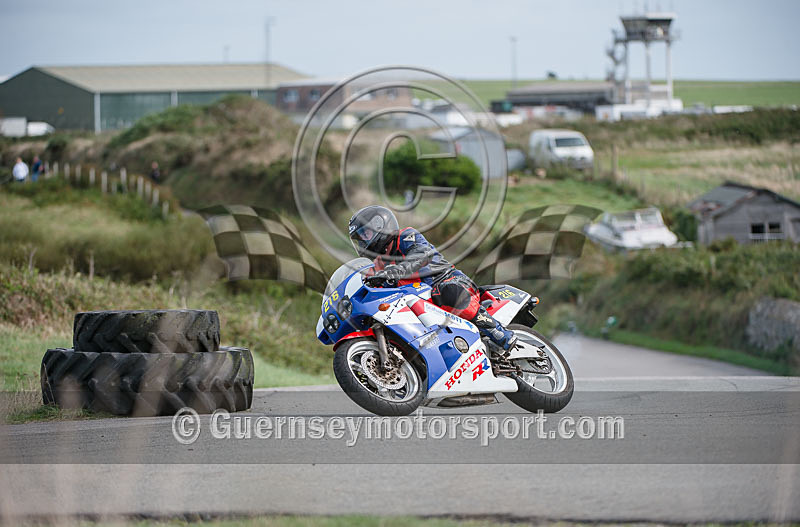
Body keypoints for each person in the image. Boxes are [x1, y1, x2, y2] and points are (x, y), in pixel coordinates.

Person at [348, 205, 517, 351]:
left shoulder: (406, 237)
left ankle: (498, 331)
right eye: (359, 239)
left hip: (447, 280)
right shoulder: (378, 265)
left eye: (365, 234)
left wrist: (398, 270)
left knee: (448, 291)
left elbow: (421, 254)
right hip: (419, 302)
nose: (363, 242)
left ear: (380, 226)